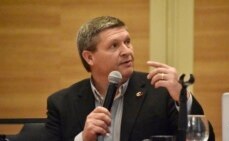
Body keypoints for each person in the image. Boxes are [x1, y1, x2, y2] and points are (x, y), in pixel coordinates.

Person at [45, 16, 215, 141]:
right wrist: (84, 139)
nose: (127, 51)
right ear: (89, 57)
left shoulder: (160, 91)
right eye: (114, 45)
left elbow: (206, 138)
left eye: (128, 42)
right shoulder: (61, 104)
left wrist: (182, 97)